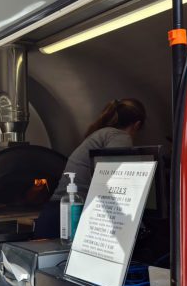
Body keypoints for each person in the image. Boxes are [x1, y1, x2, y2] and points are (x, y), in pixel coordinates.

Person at [34, 98, 146, 239]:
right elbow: (112, 183)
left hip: (54, 214)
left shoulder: (101, 134)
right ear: (137, 125)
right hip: (70, 218)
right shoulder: (121, 137)